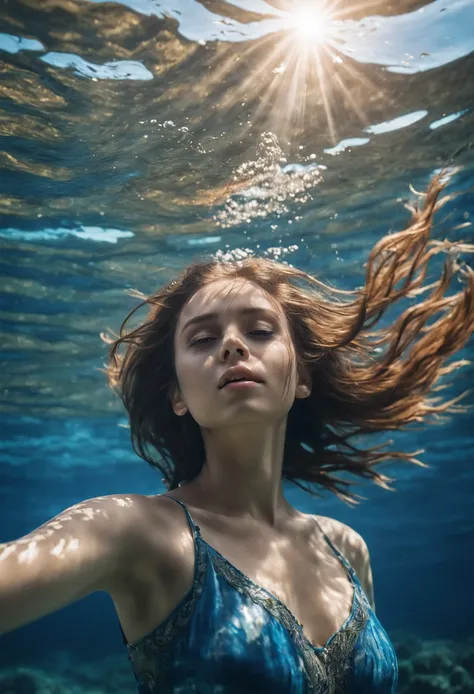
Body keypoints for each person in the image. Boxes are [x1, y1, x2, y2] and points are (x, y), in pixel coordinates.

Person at [0, 173, 473, 694]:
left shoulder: (347, 548)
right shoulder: (137, 532)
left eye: (261, 330)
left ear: (303, 377)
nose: (232, 345)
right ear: (178, 395)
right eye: (202, 338)